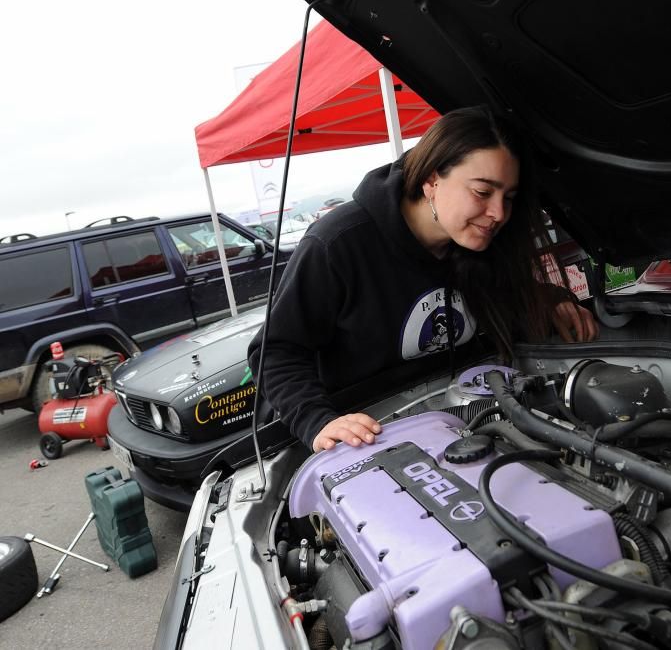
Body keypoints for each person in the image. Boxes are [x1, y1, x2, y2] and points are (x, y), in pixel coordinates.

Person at [248, 105, 599, 454]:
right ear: (432, 180)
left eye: (508, 198)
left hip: (463, 420)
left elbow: (503, 293)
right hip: (365, 440)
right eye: (482, 192)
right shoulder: (338, 243)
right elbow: (276, 351)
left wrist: (551, 301)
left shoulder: (480, 240)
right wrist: (317, 420)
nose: (498, 213)